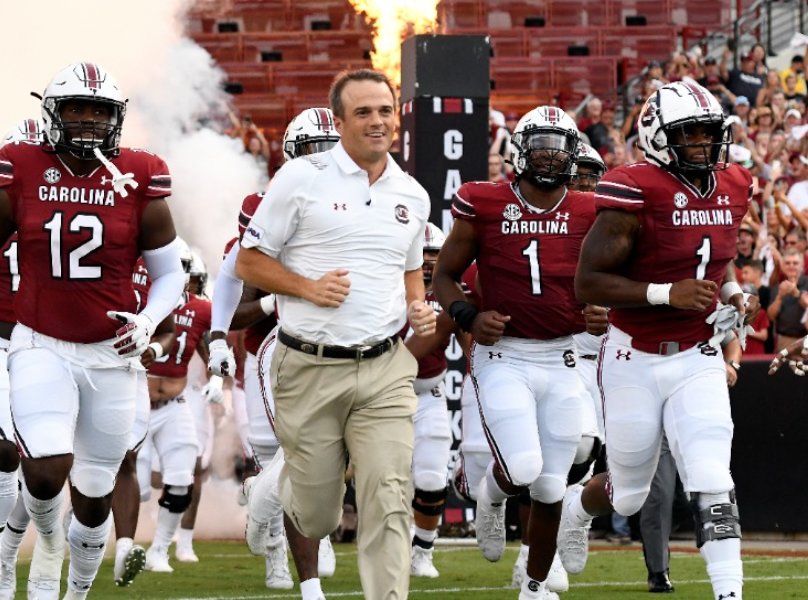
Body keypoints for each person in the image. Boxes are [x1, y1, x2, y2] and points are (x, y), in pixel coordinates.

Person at [238, 69, 437, 599]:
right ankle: (274, 488)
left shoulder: (413, 195)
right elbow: (248, 262)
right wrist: (305, 286)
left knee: (389, 494)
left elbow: (411, 266)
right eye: (364, 112)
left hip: (385, 367)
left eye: (385, 111)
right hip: (308, 364)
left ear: (398, 118)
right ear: (341, 121)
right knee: (318, 510)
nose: (377, 122)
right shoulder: (300, 178)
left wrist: (418, 306)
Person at [558, 80, 751, 600]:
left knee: (712, 475)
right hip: (632, 356)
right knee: (626, 496)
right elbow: (588, 283)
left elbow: (717, 253)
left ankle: (728, 592)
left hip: (698, 352)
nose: (704, 146)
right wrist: (668, 293)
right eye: (691, 135)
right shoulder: (633, 187)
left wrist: (732, 291)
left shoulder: (733, 182)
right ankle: (576, 509)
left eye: (710, 135)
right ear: (658, 136)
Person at [0, 62, 186, 599]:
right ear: (53, 113)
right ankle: (48, 543)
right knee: (44, 469)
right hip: (40, 342)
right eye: (76, 109)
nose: (87, 121)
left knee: (95, 491)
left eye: (99, 111)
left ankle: (77, 590)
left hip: (111, 355)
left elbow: (170, 273)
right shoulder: (22, 165)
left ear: (117, 118)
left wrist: (149, 321)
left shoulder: (139, 173)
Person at [433, 106, 593, 600]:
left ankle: (534, 587)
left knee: (550, 487)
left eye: (560, 145)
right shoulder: (483, 202)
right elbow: (443, 276)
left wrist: (603, 305)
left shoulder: (590, 209)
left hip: (563, 355)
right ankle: (491, 494)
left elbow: (611, 274)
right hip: (505, 356)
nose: (551, 154)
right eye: (541, 143)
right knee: (523, 469)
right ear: (520, 150)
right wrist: (468, 317)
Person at [210, 107, 341, 598]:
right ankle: (279, 563)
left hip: (339, 348)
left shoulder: (368, 205)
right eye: (314, 151)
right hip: (275, 351)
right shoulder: (264, 211)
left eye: (332, 149)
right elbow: (235, 305)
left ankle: (264, 501)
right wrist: (280, 293)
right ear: (290, 158)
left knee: (313, 459)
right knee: (284, 460)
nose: (325, 162)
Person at [135, 238, 216, 574]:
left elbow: (219, 342)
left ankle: (160, 550)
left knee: (183, 477)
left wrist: (219, 378)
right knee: (135, 489)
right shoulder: (142, 301)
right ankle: (83, 528)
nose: (182, 276)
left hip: (175, 402)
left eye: (186, 269)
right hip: (136, 399)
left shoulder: (201, 308)